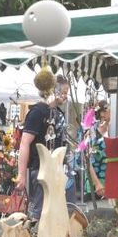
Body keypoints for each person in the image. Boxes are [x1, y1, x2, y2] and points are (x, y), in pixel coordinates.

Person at [16, 74, 69, 220]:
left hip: (56, 169)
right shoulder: (37, 112)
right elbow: (25, 142)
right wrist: (21, 174)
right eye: (63, 93)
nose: (65, 97)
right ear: (53, 91)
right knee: (39, 213)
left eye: (66, 93)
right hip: (40, 169)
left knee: (54, 212)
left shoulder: (57, 112)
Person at [84, 100, 110, 201]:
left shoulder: (116, 130)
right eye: (102, 111)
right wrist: (97, 183)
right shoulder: (92, 131)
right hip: (95, 185)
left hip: (111, 182)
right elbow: (86, 159)